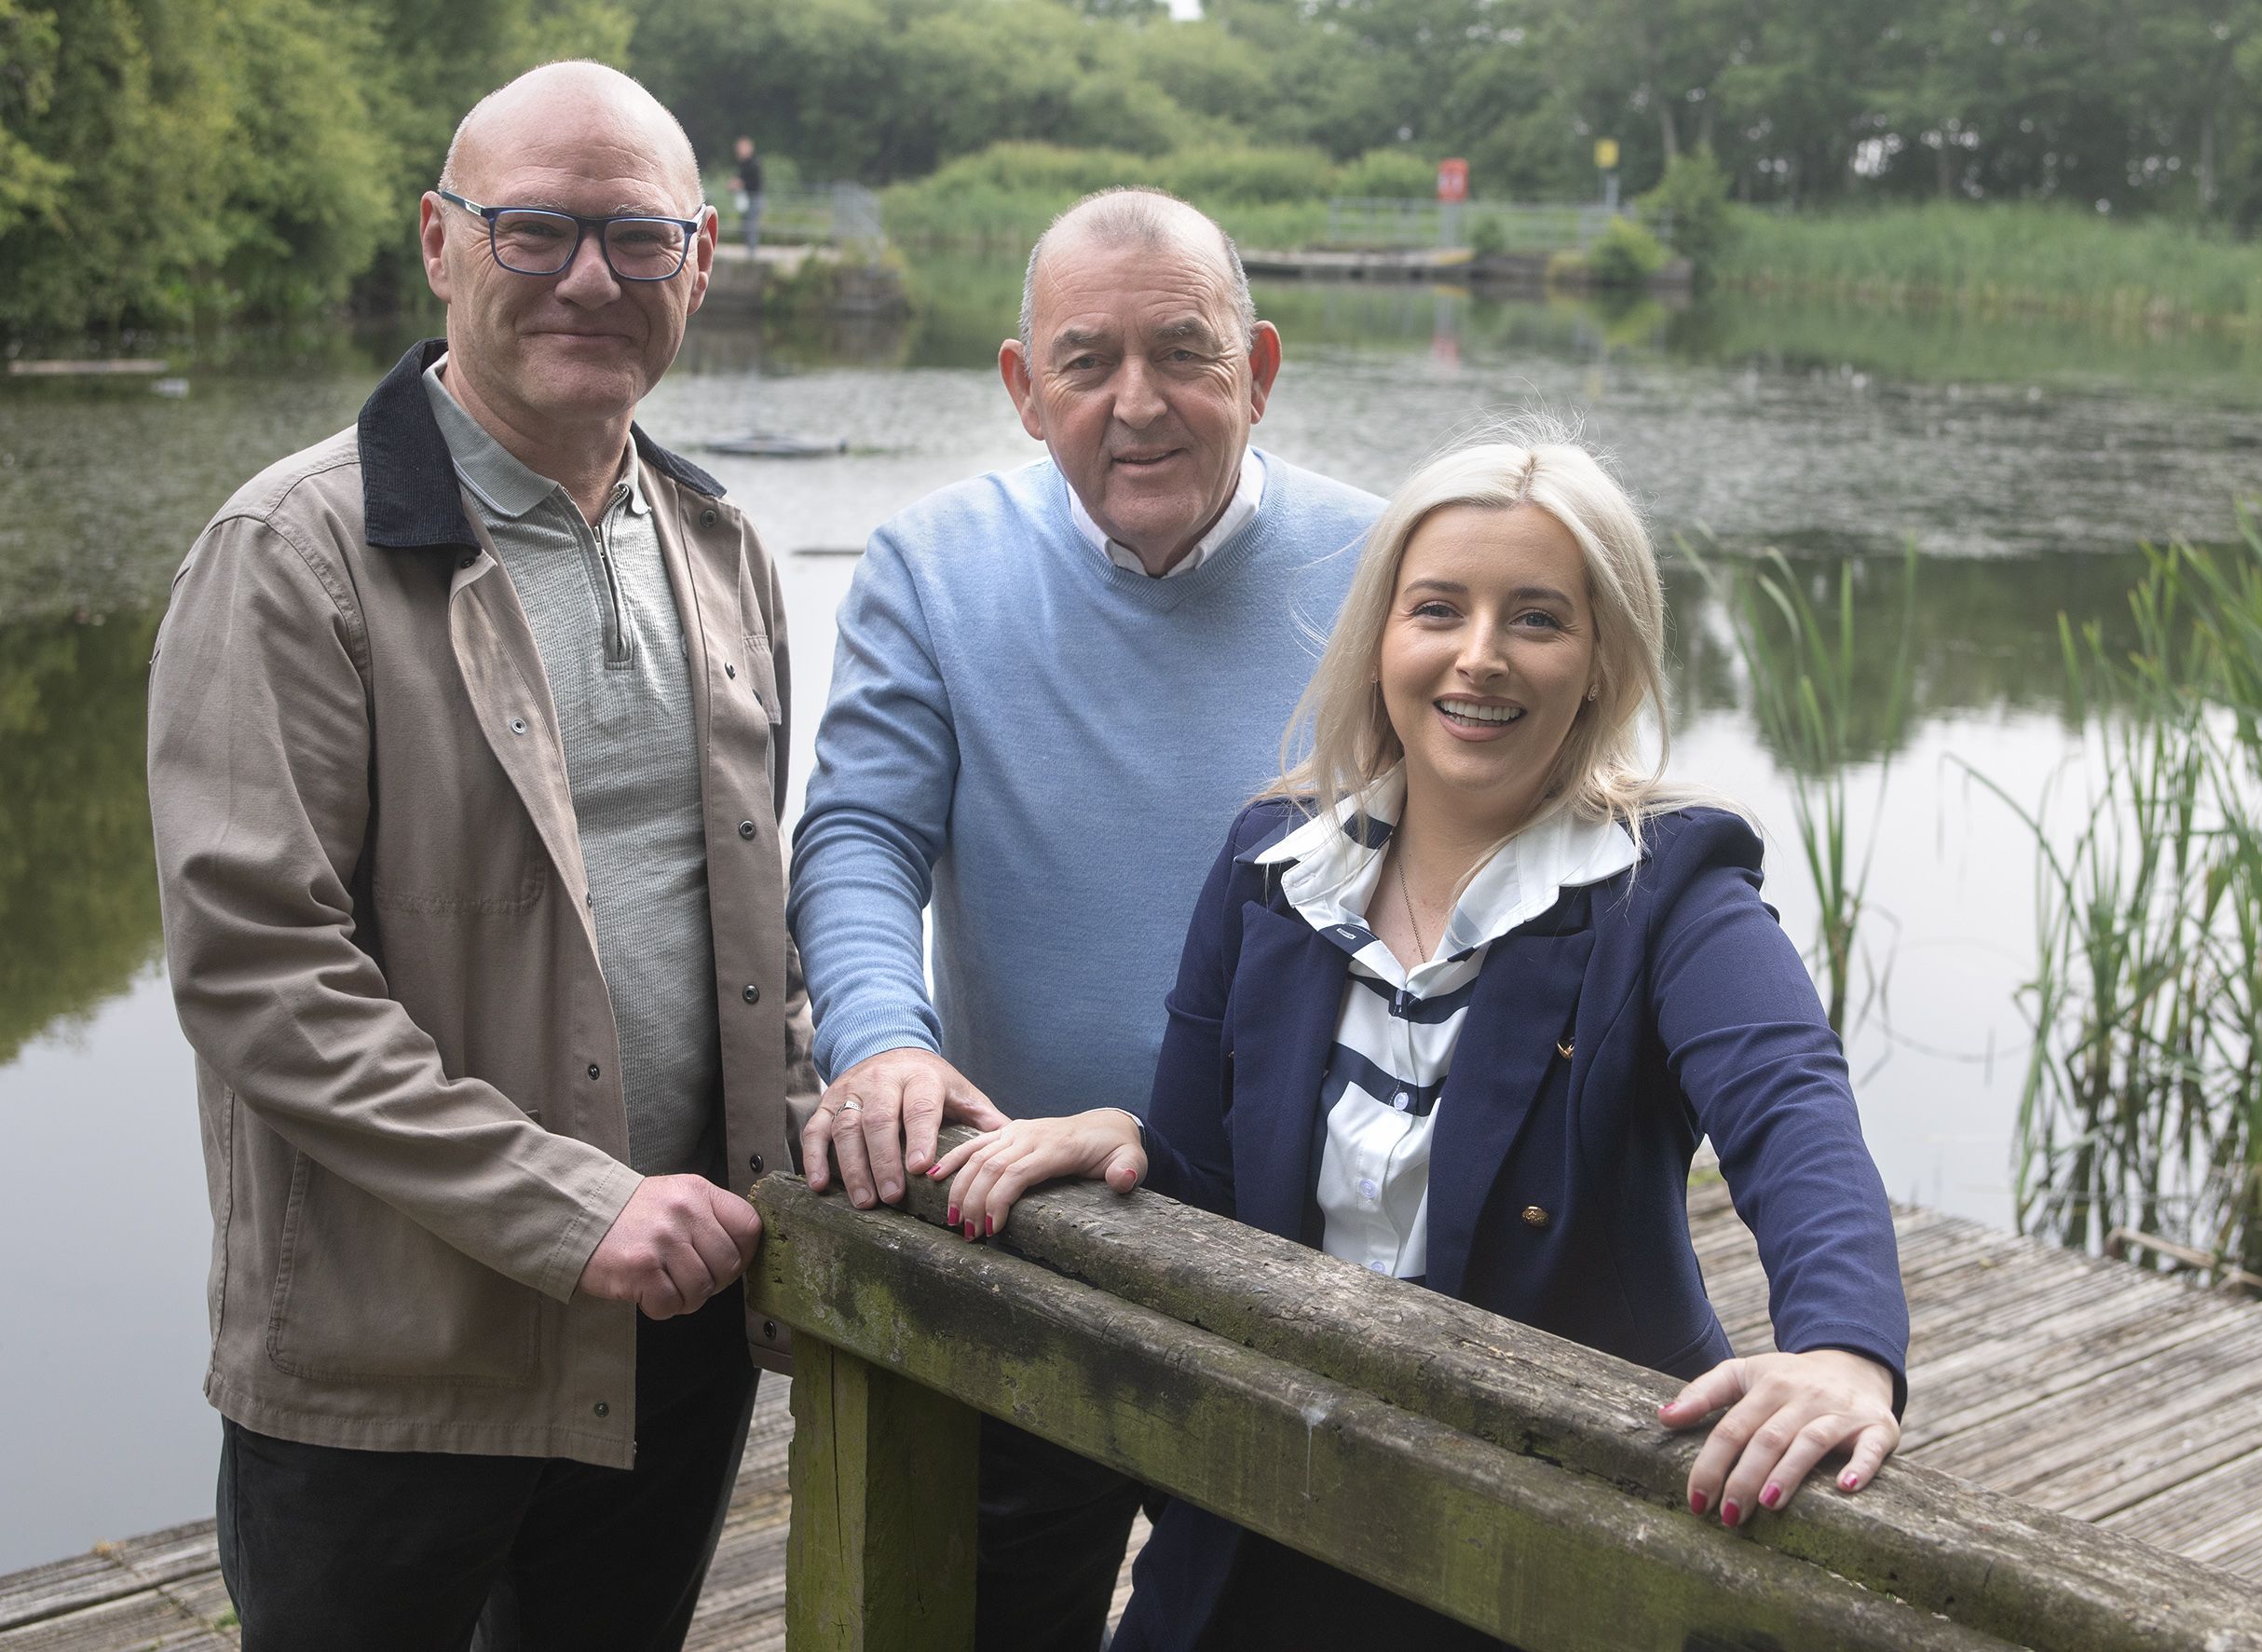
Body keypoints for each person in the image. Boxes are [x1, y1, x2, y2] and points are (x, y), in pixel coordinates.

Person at [932, 424, 1911, 1649]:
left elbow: (1794, 1112)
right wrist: (1122, 1136)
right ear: (1382, 636)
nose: (1480, 658)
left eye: (1539, 618)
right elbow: (1211, 1202)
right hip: (1270, 1514)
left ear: (1603, 658)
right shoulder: (1270, 867)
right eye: (1439, 608)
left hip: (1567, 1537)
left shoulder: (1673, 891)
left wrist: (1843, 1348)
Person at [144, 61, 815, 1652]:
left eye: (637, 240)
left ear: (700, 262)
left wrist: (829, 1092)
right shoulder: (292, 554)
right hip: (398, 1366)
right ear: (442, 242)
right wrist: (573, 1205)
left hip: (676, 1325)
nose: (590, 278)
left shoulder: (720, 546)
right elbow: (259, 974)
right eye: (536, 230)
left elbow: (744, 924)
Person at [787, 187, 1383, 1649]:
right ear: (1020, 388)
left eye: (1184, 352)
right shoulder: (931, 566)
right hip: (1031, 1223)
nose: (1138, 405)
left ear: (1261, 366)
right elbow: (862, 834)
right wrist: (878, 1041)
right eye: (1086, 362)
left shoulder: (1393, 576)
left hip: (1298, 1258)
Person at [729, 135, 763, 256]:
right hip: (748, 198)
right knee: (746, 224)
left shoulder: (753, 163)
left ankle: (752, 251)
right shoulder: (744, 164)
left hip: (754, 198)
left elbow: (750, 181)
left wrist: (738, 184)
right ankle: (749, 249)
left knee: (751, 224)